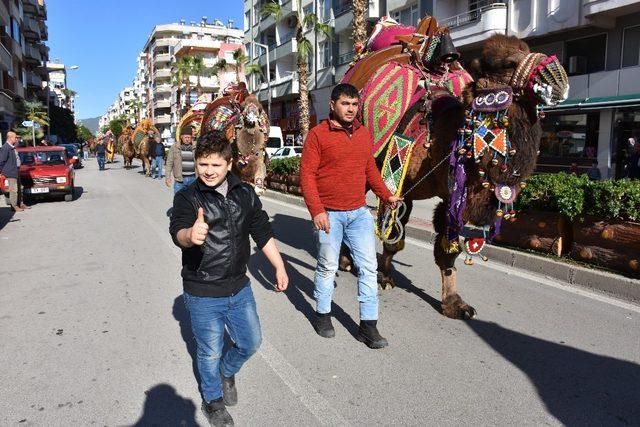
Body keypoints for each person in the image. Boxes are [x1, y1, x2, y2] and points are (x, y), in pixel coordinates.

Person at [169, 130, 288, 426]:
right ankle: (213, 401)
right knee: (209, 352)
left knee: (251, 342)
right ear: (196, 163)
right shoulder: (187, 197)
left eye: (215, 165)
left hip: (239, 288)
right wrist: (190, 236)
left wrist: (280, 266)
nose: (208, 171)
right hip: (203, 290)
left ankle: (227, 371)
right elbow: (179, 232)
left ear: (229, 163)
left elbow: (261, 231)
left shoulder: (245, 193)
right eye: (202, 164)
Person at [300, 83, 402, 349]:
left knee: (369, 268)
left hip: (359, 214)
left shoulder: (363, 134)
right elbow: (307, 176)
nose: (350, 109)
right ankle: (323, 314)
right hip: (329, 216)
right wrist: (317, 211)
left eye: (355, 105)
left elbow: (370, 169)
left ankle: (368, 326)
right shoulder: (317, 135)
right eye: (345, 104)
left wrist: (385, 195)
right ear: (333, 105)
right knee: (327, 267)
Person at [0, 131, 29, 212]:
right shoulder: (5, 147)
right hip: (10, 172)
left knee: (20, 188)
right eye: (15, 137)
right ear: (10, 138)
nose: (16, 139)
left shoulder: (12, 147)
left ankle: (21, 204)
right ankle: (14, 206)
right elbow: (1, 161)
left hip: (16, 171)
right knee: (13, 190)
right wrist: (1, 172)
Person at [166, 125, 197, 193]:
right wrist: (168, 177)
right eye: (185, 137)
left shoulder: (196, 146)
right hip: (180, 180)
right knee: (179, 201)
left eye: (189, 137)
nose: (187, 139)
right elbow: (169, 163)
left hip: (193, 179)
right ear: (181, 137)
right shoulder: (175, 147)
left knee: (192, 201)